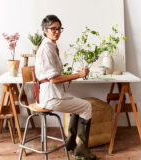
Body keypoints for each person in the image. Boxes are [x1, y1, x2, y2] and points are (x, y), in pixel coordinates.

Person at [35, 15, 97, 160]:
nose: (57, 32)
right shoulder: (46, 49)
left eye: (59, 28)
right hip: (50, 97)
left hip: (52, 94)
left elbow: (53, 75)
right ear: (45, 30)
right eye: (53, 29)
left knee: (79, 104)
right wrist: (78, 75)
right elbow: (54, 79)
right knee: (86, 106)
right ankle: (81, 149)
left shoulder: (51, 45)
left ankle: (70, 143)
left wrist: (75, 74)